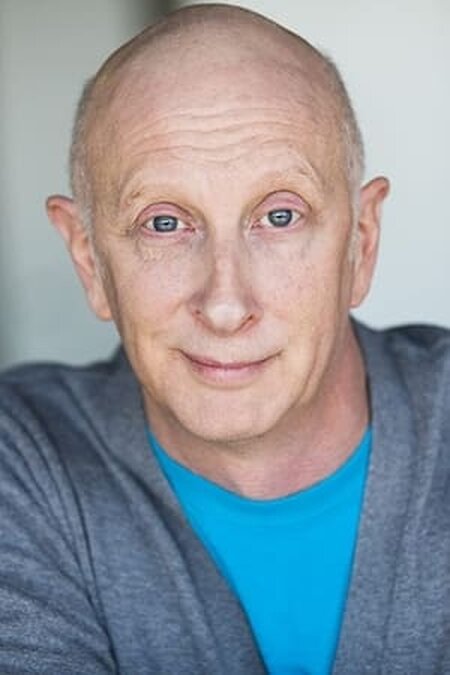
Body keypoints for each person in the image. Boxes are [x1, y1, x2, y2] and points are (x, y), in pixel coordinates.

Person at [0, 3, 448, 674]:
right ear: (89, 259)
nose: (226, 304)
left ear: (361, 241)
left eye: (280, 215)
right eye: (163, 223)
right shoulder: (21, 459)